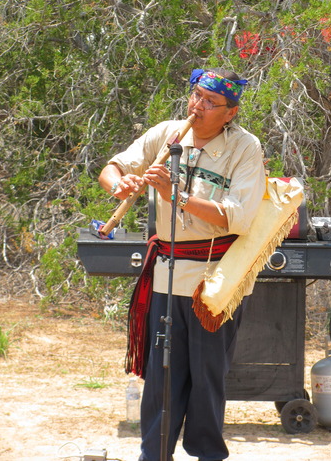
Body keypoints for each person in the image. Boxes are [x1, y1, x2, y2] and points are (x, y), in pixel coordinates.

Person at [98, 68, 266, 461]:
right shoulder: (168, 133)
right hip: (166, 274)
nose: (198, 106)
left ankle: (207, 454)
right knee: (161, 375)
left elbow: (238, 217)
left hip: (215, 277)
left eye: (210, 102)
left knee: (208, 376)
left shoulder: (246, 148)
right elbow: (115, 166)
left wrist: (176, 195)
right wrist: (118, 184)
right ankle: (154, 453)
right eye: (196, 96)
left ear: (230, 113)